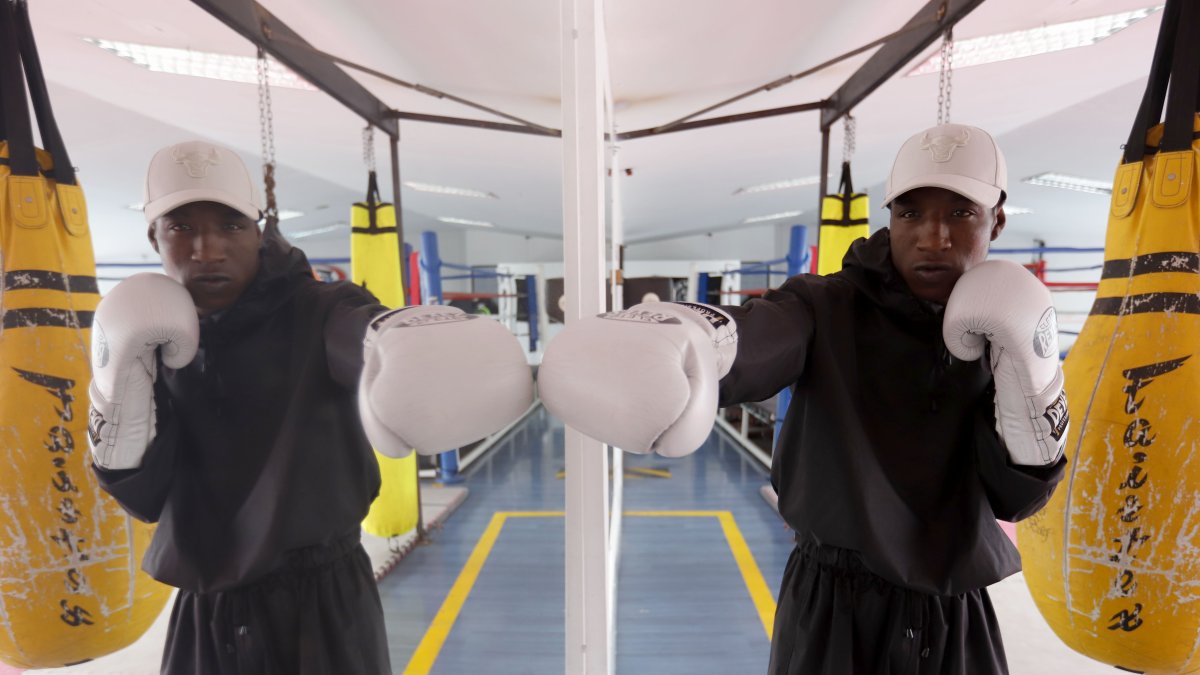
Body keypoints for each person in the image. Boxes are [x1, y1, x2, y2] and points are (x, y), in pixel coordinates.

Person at [538, 123, 1068, 674]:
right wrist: (687, 339)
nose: (933, 236)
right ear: (890, 218)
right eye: (910, 213)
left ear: (997, 220)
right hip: (835, 609)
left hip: (955, 614)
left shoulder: (1008, 329)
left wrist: (1032, 377)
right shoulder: (824, 306)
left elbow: (1018, 501)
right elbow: (758, 337)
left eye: (960, 213)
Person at [87, 140, 533, 674]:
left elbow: (366, 334)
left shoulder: (322, 310)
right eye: (181, 227)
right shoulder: (149, 335)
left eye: (230, 225)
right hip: (208, 609)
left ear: (260, 229)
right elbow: (143, 498)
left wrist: (407, 348)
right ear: (153, 236)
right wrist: (119, 390)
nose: (206, 249)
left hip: (322, 602)